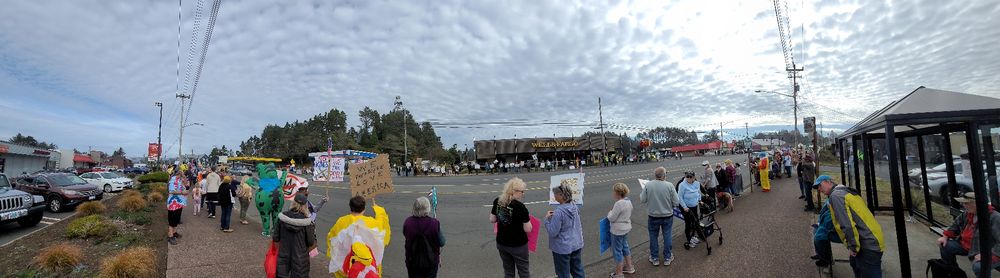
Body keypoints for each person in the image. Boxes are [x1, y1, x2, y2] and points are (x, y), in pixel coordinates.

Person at [815, 175, 885, 277]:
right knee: (855, 264)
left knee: (868, 272)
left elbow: (847, 225)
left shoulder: (836, 196)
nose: (819, 189)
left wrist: (853, 247)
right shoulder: (845, 192)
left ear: (828, 182)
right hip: (871, 237)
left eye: (820, 186)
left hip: (868, 243)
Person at [938, 192, 1000, 277]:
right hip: (968, 245)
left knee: (979, 267)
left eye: (966, 203)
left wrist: (987, 255)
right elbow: (955, 225)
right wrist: (945, 236)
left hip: (987, 250)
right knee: (945, 246)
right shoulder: (968, 213)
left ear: (977, 204)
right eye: (963, 203)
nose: (964, 205)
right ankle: (954, 273)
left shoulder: (994, 217)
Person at [328, 196, 391, 278]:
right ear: (364, 208)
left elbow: (332, 238)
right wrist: (378, 209)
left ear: (350, 207)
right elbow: (382, 226)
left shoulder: (342, 221)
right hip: (366, 262)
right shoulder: (371, 222)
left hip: (348, 263)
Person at [639, 167, 682, 266]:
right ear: (664, 175)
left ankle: (655, 258)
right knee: (667, 235)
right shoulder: (669, 185)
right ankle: (667, 257)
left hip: (653, 216)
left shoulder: (648, 185)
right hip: (667, 215)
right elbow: (676, 202)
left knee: (653, 236)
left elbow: (642, 199)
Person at [490, 177, 532, 278]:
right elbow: (528, 229)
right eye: (522, 191)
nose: (523, 194)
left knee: (508, 271)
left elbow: (492, 219)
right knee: (523, 271)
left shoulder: (498, 201)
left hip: (502, 242)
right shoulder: (520, 207)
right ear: (514, 191)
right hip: (518, 245)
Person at [545, 184, 584, 278]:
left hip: (562, 248)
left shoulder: (559, 212)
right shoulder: (574, 206)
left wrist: (547, 220)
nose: (554, 196)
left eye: (555, 194)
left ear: (561, 195)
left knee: (563, 273)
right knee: (577, 270)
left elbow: (553, 232)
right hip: (576, 244)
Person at [273, 194, 317, 278]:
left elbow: (276, 237)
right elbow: (310, 242)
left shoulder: (282, 217)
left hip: (284, 253)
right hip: (300, 257)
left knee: (282, 275)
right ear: (305, 206)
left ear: (293, 203)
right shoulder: (308, 222)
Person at [403, 197, 445, 278]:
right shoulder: (434, 223)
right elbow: (442, 242)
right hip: (431, 261)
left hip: (412, 260)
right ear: (427, 208)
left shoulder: (408, 222)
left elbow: (405, 235)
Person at [608, 183, 635, 278]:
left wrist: (609, 213)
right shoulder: (628, 201)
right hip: (626, 228)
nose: (613, 194)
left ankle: (619, 273)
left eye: (614, 192)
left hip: (617, 230)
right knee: (625, 247)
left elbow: (612, 218)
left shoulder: (618, 203)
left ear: (618, 193)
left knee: (617, 251)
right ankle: (629, 267)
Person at [678, 171, 705, 249]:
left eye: (690, 177)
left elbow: (698, 192)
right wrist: (684, 207)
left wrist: (700, 201)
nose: (689, 178)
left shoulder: (696, 183)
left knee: (696, 221)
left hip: (694, 206)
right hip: (686, 207)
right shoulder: (682, 185)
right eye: (687, 177)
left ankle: (695, 236)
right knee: (688, 223)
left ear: (694, 177)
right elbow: (680, 197)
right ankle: (689, 239)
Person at [166, 170, 189, 245]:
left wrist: (184, 178)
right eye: (182, 174)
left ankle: (174, 232)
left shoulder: (180, 180)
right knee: (172, 220)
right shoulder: (173, 180)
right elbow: (171, 191)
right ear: (178, 174)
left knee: (176, 219)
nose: (183, 175)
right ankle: (170, 235)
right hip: (173, 203)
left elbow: (186, 185)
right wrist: (182, 192)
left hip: (179, 202)